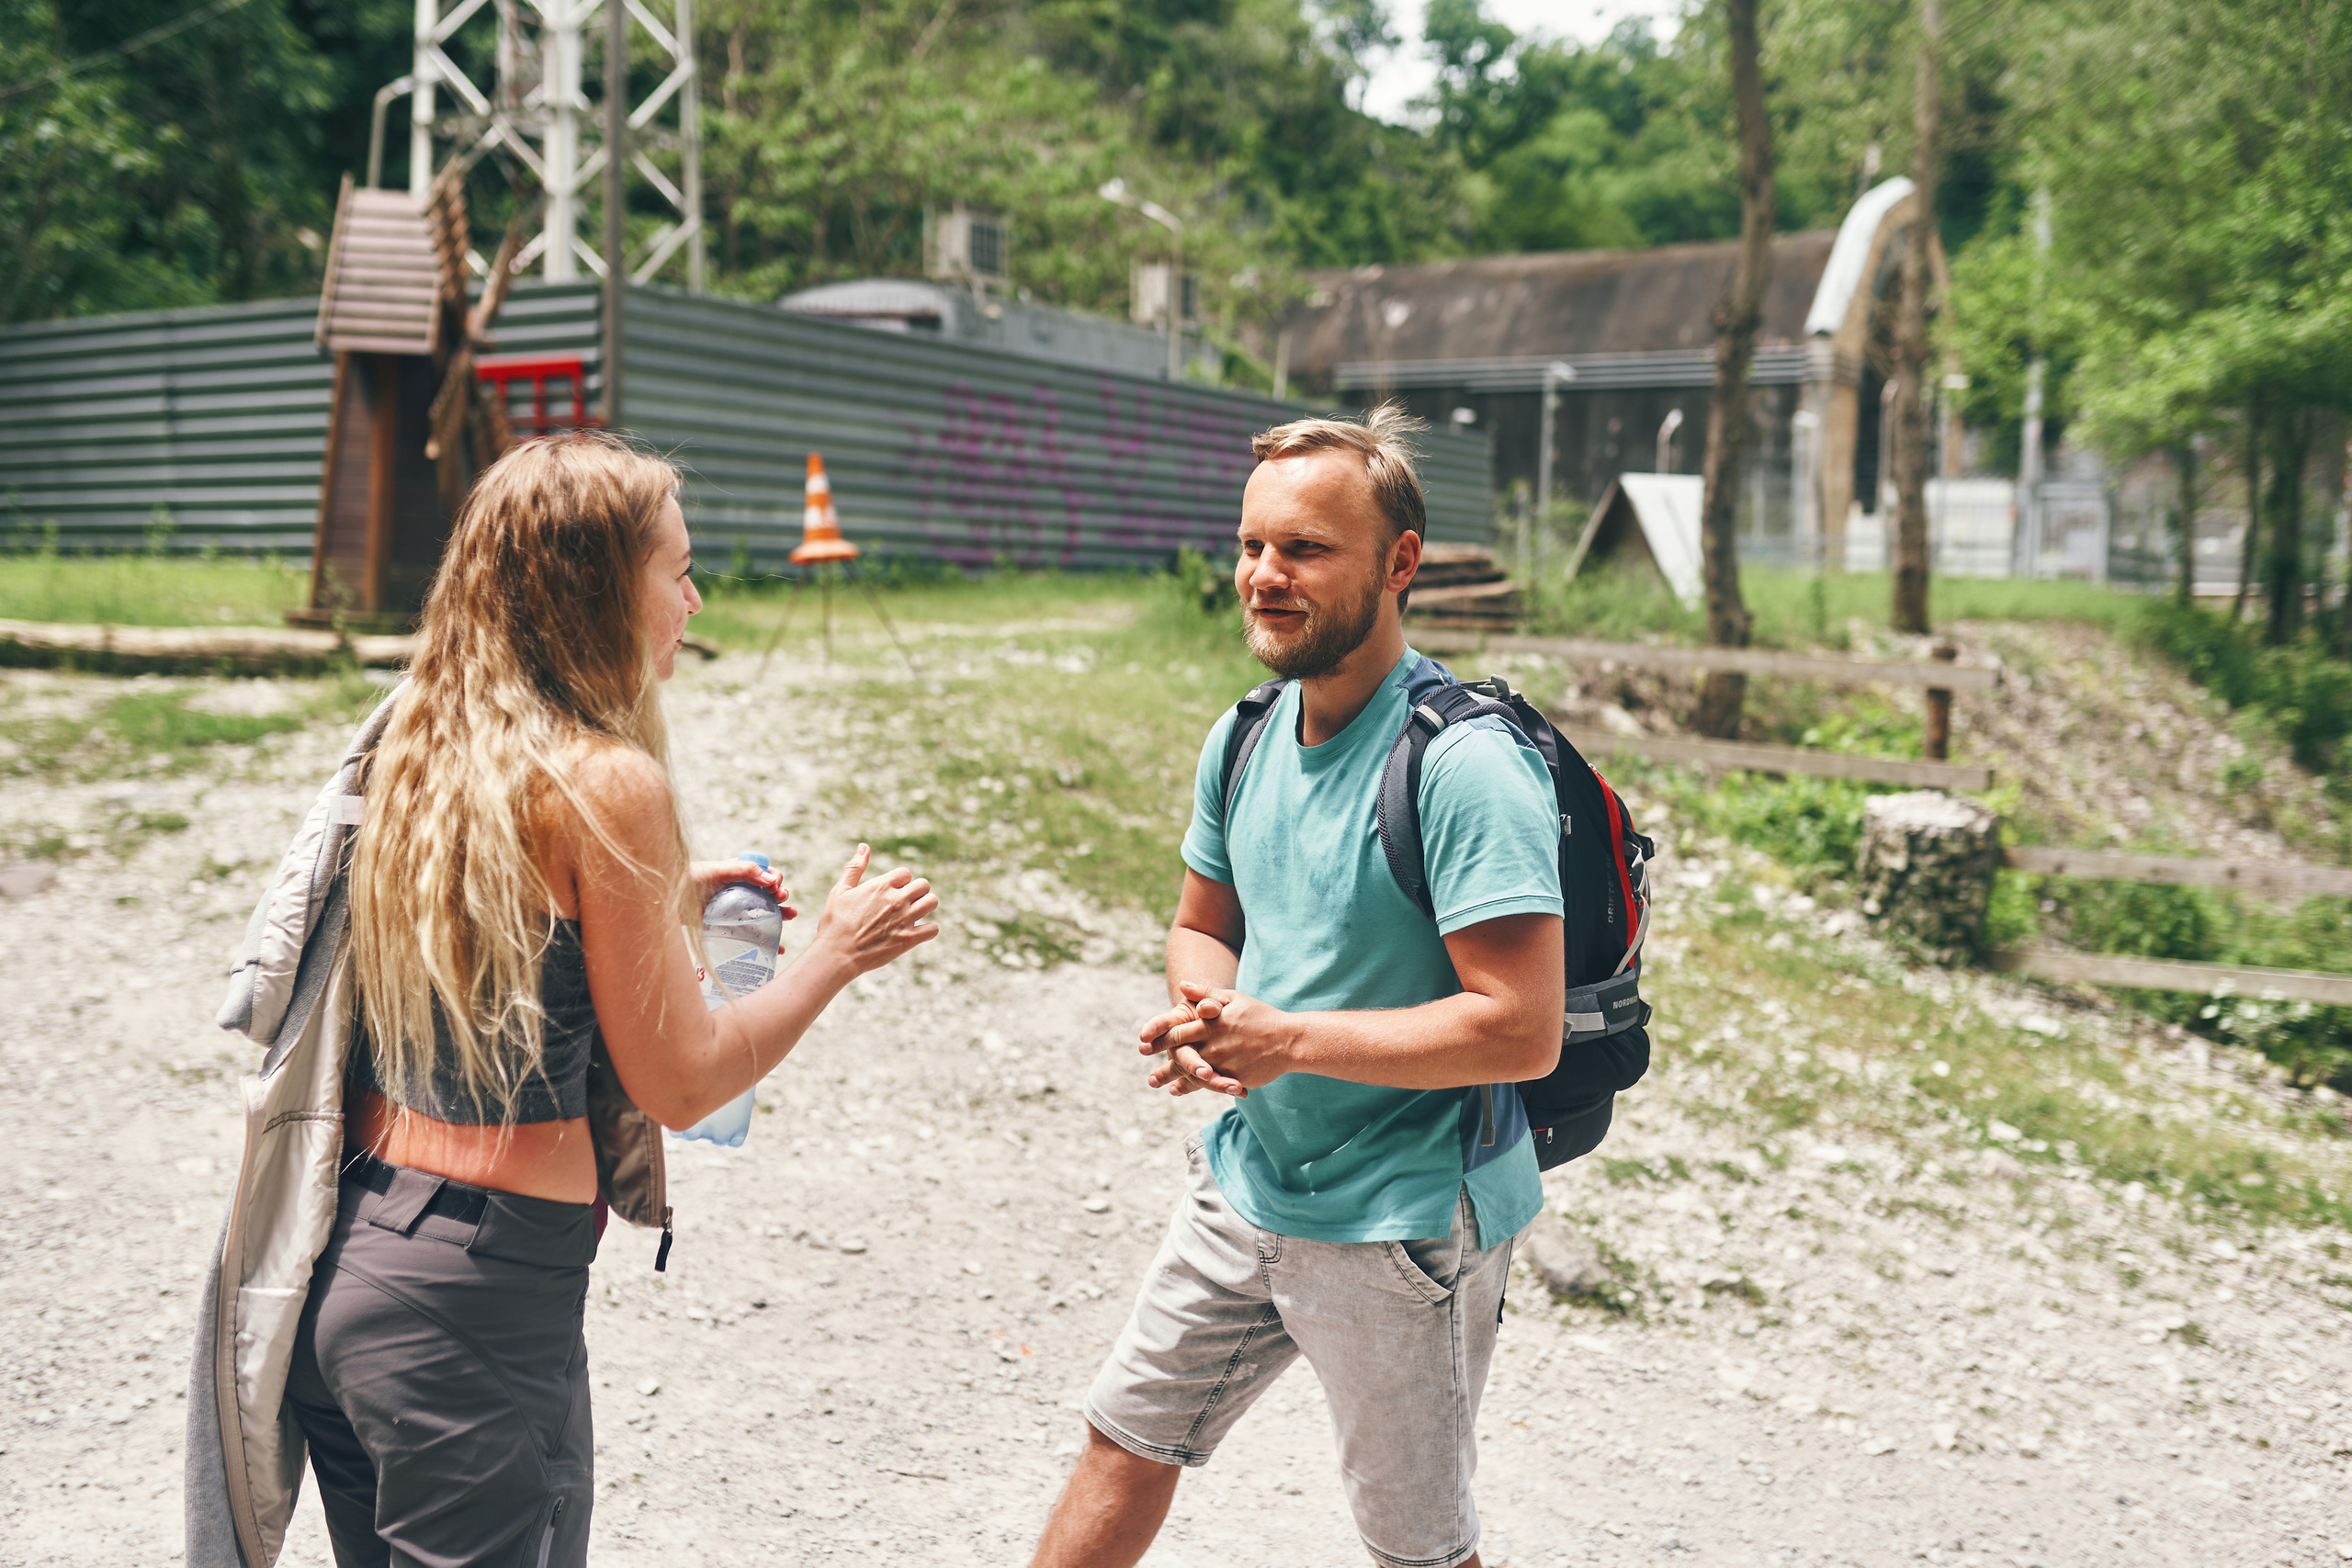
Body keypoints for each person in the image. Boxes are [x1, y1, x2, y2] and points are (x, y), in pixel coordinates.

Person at [288, 432, 939, 1567]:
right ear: (598, 592)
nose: (694, 597)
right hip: (478, 1300)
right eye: (675, 570)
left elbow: (501, 918)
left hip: (358, 1255)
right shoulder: (607, 782)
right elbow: (682, 1083)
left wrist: (661, 898)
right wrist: (831, 954)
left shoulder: (427, 739)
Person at [1030, 408, 1566, 1568]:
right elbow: (1199, 924)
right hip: (1251, 1180)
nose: (1264, 578)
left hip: (1406, 1217)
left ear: (1399, 564)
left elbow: (1521, 1032)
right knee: (1124, 1440)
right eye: (1251, 546)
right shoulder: (1245, 734)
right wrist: (1209, 1017)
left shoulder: (1466, 768)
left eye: (1306, 550)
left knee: (1416, 1548)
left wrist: (1288, 1041)